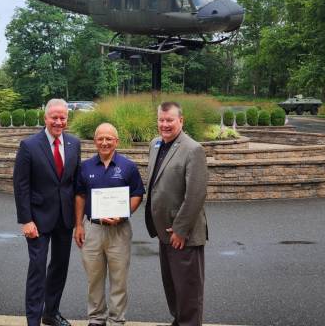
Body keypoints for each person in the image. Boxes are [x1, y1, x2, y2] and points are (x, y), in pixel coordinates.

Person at [13, 99, 81, 326]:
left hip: (64, 218)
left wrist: (79, 219)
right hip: (38, 220)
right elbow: (21, 185)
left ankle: (51, 313)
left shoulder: (74, 144)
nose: (59, 122)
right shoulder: (29, 145)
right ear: (45, 118)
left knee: (59, 268)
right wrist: (26, 220)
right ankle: (33, 321)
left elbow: (74, 183)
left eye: (63, 118)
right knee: (37, 270)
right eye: (54, 117)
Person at [74, 123, 145, 326]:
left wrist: (123, 215)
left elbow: (137, 194)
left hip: (119, 230)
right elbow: (79, 196)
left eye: (109, 139)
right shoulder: (85, 167)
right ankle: (96, 318)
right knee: (94, 278)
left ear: (117, 141)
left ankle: (116, 320)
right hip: (93, 229)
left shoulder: (128, 166)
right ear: (95, 141)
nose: (104, 142)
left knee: (119, 278)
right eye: (100, 138)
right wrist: (78, 225)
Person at [145, 101, 208, 326]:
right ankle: (179, 320)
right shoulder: (155, 144)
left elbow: (196, 195)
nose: (164, 124)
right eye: (161, 120)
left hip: (184, 234)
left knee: (188, 289)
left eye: (169, 120)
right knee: (172, 285)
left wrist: (181, 230)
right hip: (164, 231)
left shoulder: (193, 149)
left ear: (181, 120)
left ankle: (188, 322)